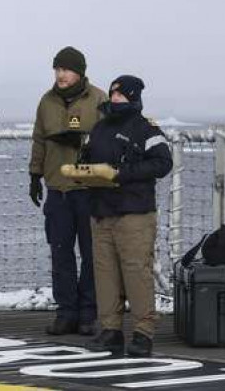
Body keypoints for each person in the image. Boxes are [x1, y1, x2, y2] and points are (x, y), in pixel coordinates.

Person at [81, 75, 172, 357]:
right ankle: (110, 331)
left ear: (133, 97)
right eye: (112, 94)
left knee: (136, 274)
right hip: (101, 211)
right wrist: (83, 170)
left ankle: (143, 333)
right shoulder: (99, 128)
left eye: (120, 95)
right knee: (105, 274)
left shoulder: (146, 129)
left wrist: (123, 174)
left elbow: (163, 162)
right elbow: (85, 159)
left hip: (134, 214)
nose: (114, 98)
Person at [29, 47, 107, 336]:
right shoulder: (46, 101)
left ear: (80, 72)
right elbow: (39, 138)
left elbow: (109, 139)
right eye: (57, 69)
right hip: (57, 189)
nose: (61, 75)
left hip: (88, 189)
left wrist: (84, 142)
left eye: (66, 69)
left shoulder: (99, 99)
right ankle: (66, 312)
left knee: (91, 254)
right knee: (60, 253)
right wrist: (34, 174)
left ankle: (89, 313)